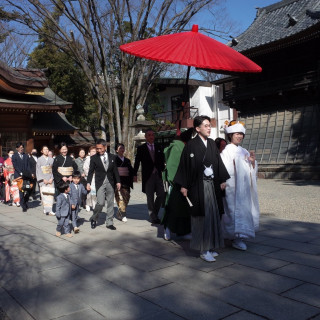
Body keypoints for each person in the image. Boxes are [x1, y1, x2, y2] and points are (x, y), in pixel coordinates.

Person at [174, 116, 230, 262]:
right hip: (198, 186)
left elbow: (218, 163)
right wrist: (184, 185)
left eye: (209, 125)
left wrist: (222, 179)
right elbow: (185, 166)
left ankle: (211, 246)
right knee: (201, 217)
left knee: (213, 215)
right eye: (205, 126)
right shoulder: (191, 145)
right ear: (198, 129)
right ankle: (203, 249)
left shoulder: (212, 143)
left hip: (211, 185)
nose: (209, 128)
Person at [220, 120, 260, 251]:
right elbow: (225, 169)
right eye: (237, 134)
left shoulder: (244, 151)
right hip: (233, 186)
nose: (239, 136)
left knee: (244, 210)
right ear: (230, 135)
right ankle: (234, 237)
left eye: (241, 134)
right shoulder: (226, 150)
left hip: (244, 187)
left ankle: (240, 236)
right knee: (232, 211)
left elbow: (251, 170)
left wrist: (253, 164)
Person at [161, 128, 194, 241]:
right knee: (172, 207)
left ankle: (183, 231)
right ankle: (168, 229)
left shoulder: (184, 146)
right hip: (176, 183)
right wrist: (176, 181)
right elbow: (172, 166)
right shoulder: (176, 147)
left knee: (184, 209)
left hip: (185, 182)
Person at [86, 139, 121, 230]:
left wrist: (118, 181)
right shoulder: (93, 158)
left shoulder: (112, 157)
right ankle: (94, 218)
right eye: (97, 148)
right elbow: (90, 172)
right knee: (100, 202)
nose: (99, 150)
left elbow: (115, 171)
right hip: (100, 182)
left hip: (110, 182)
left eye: (100, 148)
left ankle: (109, 222)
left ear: (105, 147)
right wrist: (88, 183)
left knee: (110, 202)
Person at [133, 128, 165, 224]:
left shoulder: (159, 146)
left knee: (162, 194)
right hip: (148, 176)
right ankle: (153, 216)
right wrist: (134, 174)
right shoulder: (141, 148)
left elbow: (162, 160)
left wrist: (163, 171)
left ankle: (154, 212)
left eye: (153, 135)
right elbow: (137, 162)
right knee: (150, 196)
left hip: (158, 174)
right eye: (149, 135)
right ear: (146, 137)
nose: (151, 137)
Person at [114, 143, 134, 222]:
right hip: (118, 181)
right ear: (116, 150)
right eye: (120, 148)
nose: (122, 149)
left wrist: (134, 174)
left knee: (126, 197)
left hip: (126, 182)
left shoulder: (127, 160)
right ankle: (123, 214)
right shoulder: (114, 159)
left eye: (123, 148)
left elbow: (131, 170)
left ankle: (120, 212)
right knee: (120, 198)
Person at [12, 142, 33, 212]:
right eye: (20, 147)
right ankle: (23, 205)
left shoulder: (26, 155)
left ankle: (25, 201)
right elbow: (15, 166)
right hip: (18, 176)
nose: (21, 149)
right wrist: (20, 173)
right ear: (17, 148)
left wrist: (30, 173)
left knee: (28, 189)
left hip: (26, 175)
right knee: (21, 190)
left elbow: (28, 166)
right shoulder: (14, 156)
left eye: (22, 147)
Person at [36, 145, 55, 215]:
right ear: (42, 151)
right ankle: (45, 208)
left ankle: (50, 209)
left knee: (50, 195)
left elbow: (53, 170)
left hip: (50, 178)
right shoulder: (39, 159)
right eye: (44, 149)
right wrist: (42, 179)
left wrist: (51, 178)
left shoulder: (51, 159)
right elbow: (38, 170)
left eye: (47, 149)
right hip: (43, 179)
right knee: (44, 195)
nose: (46, 151)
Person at [83, 146, 97, 212]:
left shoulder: (98, 158)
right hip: (89, 177)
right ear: (89, 152)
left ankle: (94, 204)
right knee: (89, 191)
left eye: (95, 151)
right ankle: (88, 204)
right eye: (93, 151)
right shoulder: (88, 159)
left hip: (96, 177)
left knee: (95, 192)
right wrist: (91, 172)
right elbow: (85, 168)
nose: (94, 152)